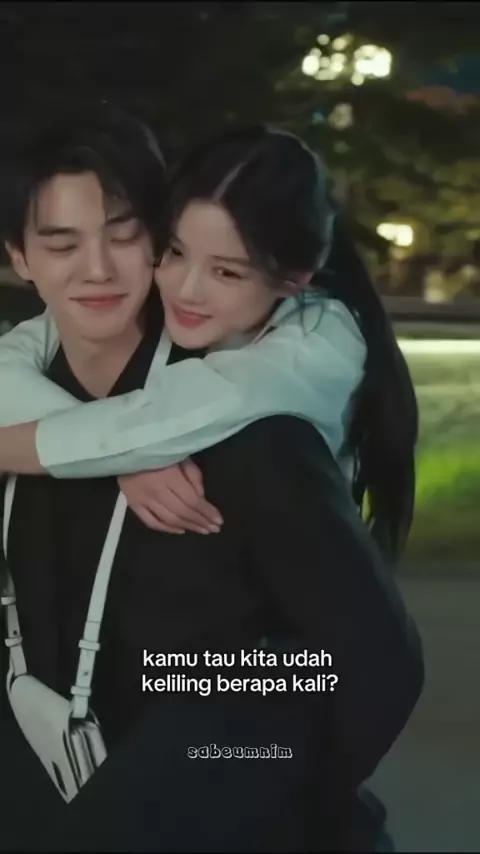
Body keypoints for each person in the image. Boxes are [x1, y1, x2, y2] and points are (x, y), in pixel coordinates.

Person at [0, 108, 423, 851]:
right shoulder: (19, 403)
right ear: (19, 258)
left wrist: (228, 758)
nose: (97, 269)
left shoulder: (250, 427)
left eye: (125, 236)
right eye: (61, 244)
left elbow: (373, 662)